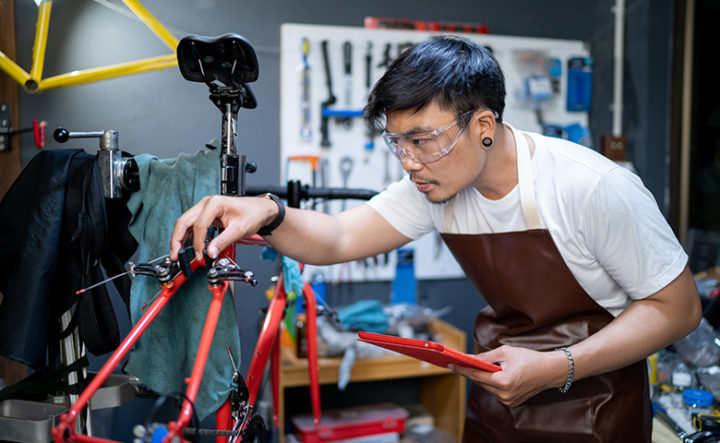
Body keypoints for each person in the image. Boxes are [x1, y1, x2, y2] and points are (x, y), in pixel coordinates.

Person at [170, 35, 701, 442]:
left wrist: (558, 367)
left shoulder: (592, 188)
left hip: (599, 410)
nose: (409, 162)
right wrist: (267, 212)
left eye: (423, 141)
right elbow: (336, 238)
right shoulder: (431, 187)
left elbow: (678, 309)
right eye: (397, 142)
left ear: (484, 126)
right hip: (499, 406)